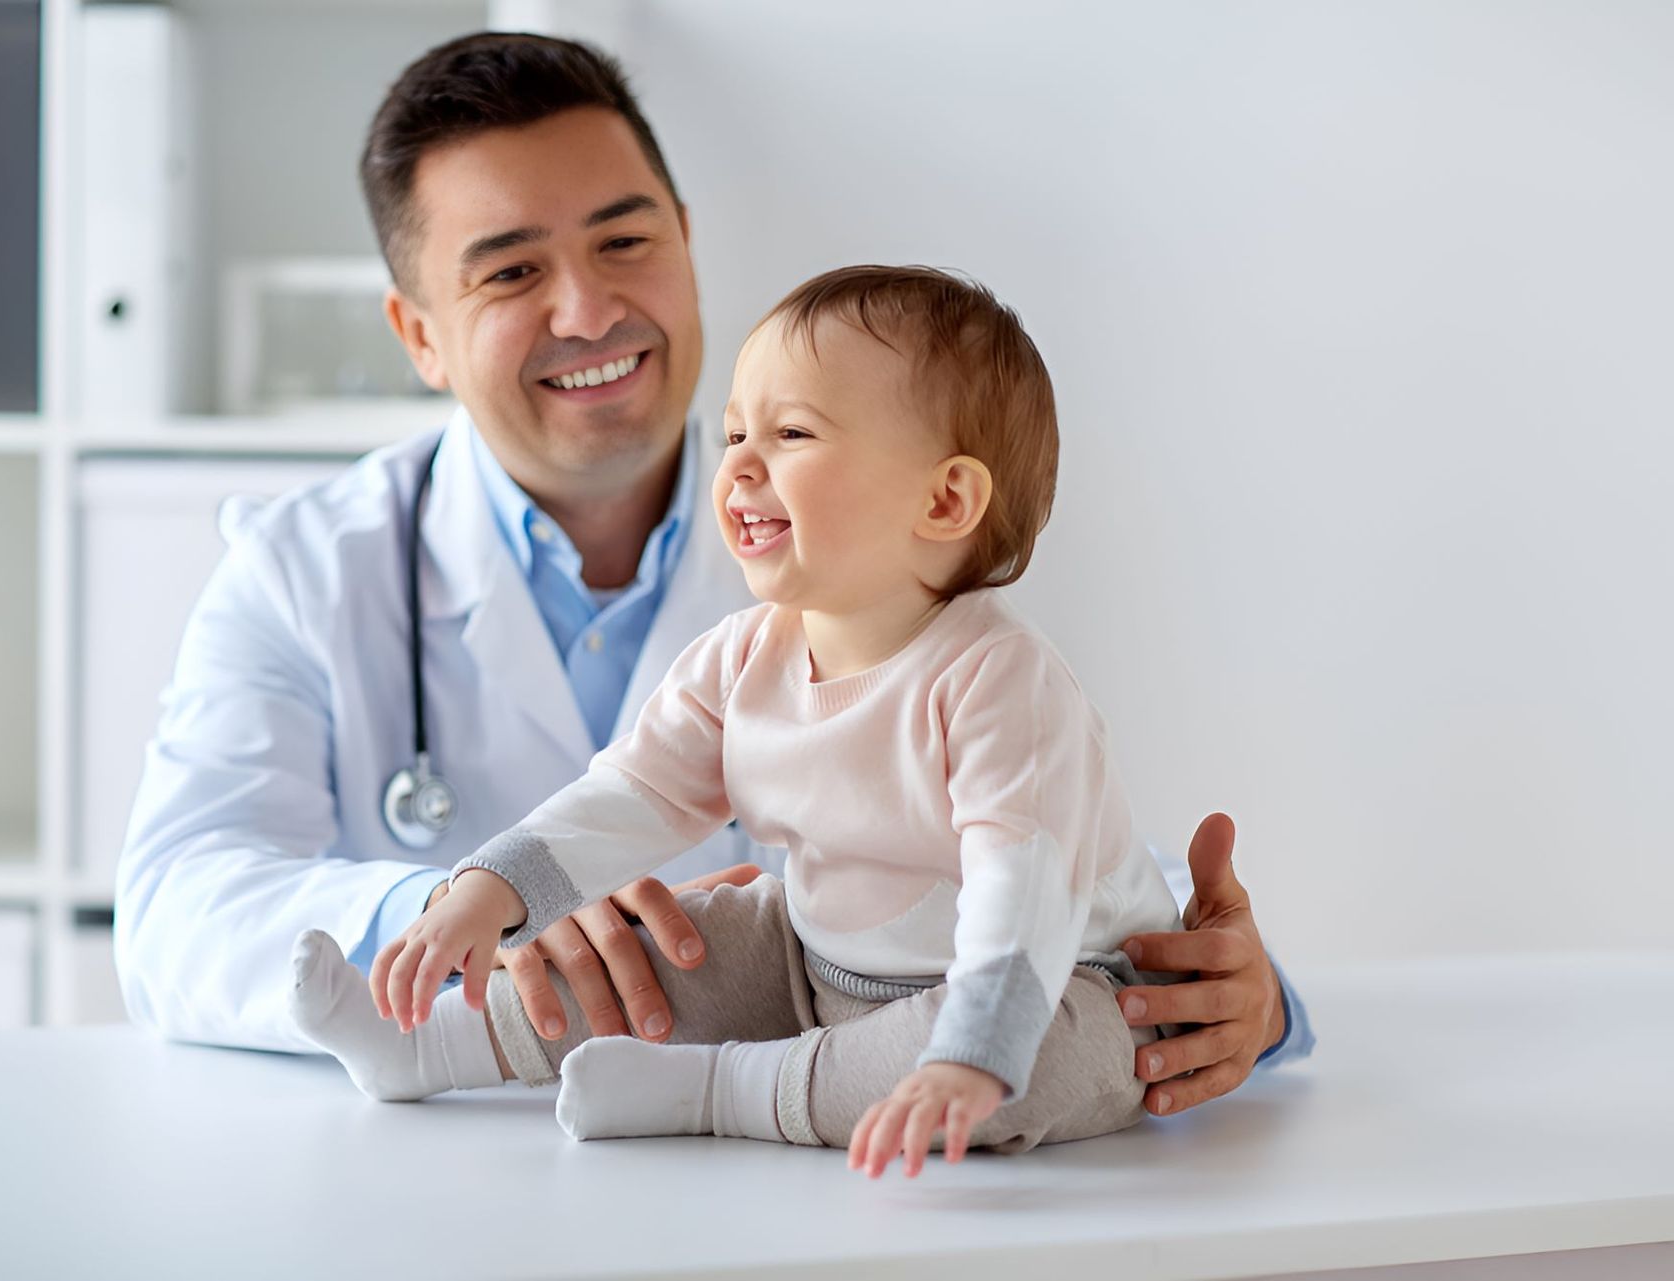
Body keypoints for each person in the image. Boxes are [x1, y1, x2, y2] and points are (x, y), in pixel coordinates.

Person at [114, 32, 1313, 1122]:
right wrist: (465, 921)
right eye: (511, 273)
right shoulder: (301, 567)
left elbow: (1035, 844)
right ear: (419, 332)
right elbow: (178, 904)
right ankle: (429, 1046)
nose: (589, 308)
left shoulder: (884, 561)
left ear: (686, 246)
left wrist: (1244, 995)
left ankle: (727, 1090)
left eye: (625, 241)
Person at [290, 264, 1202, 1180]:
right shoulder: (745, 655)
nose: (737, 467)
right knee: (675, 947)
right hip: (819, 962)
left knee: (1034, 1062)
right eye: (734, 433)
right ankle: (425, 1051)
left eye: (792, 433)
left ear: (944, 501)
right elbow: (632, 794)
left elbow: (1023, 888)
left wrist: (973, 1053)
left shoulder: (1001, 679)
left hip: (1052, 984)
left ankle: (717, 1091)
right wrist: (490, 891)